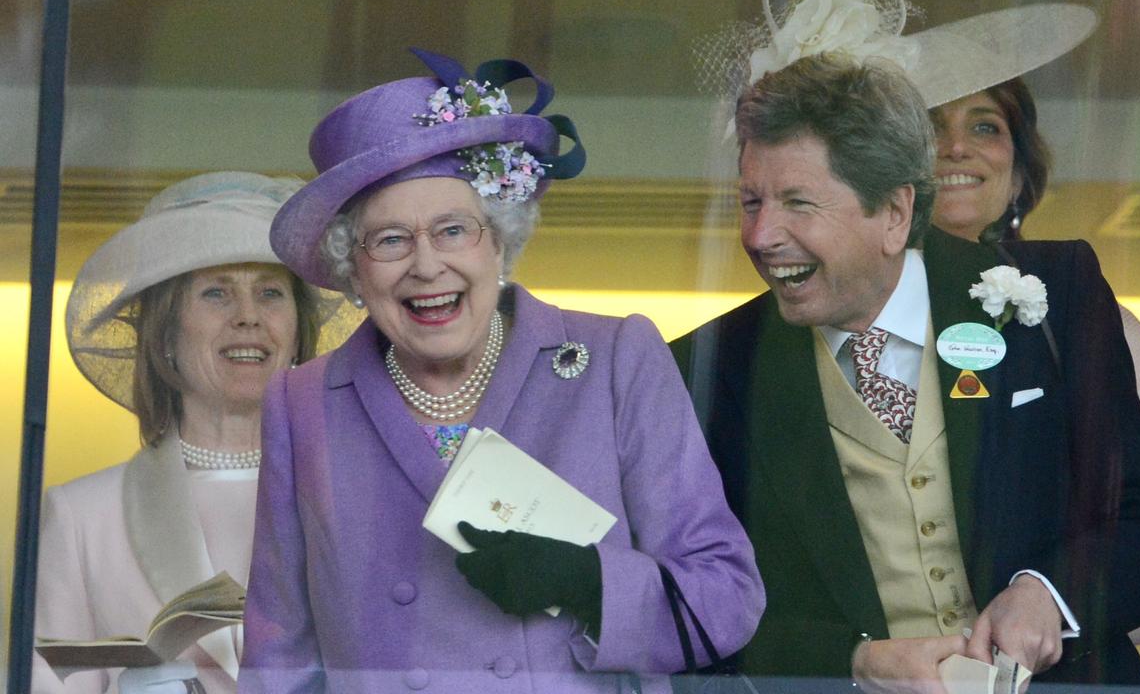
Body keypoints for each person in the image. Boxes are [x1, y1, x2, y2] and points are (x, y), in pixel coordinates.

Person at [240, 49, 764, 693]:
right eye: (390, 240)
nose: (426, 266)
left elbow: (726, 596)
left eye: (453, 230)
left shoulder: (615, 361)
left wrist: (589, 582)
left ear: (499, 241)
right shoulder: (304, 401)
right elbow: (279, 657)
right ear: (355, 269)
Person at [670, 51, 1140, 691]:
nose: (760, 235)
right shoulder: (707, 365)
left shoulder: (1056, 294)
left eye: (797, 203)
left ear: (894, 213)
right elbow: (692, 603)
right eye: (751, 202)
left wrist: (1048, 595)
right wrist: (852, 663)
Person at [34, 172, 351, 694]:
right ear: (166, 334)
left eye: (270, 292)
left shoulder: (363, 496)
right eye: (215, 293)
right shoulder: (81, 516)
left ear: (298, 334)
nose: (248, 316)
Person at [930, 77, 1140, 644]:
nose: (954, 147)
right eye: (929, 126)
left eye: (984, 126)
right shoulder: (832, 326)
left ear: (1020, 176)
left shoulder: (1085, 317)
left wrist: (1048, 599)